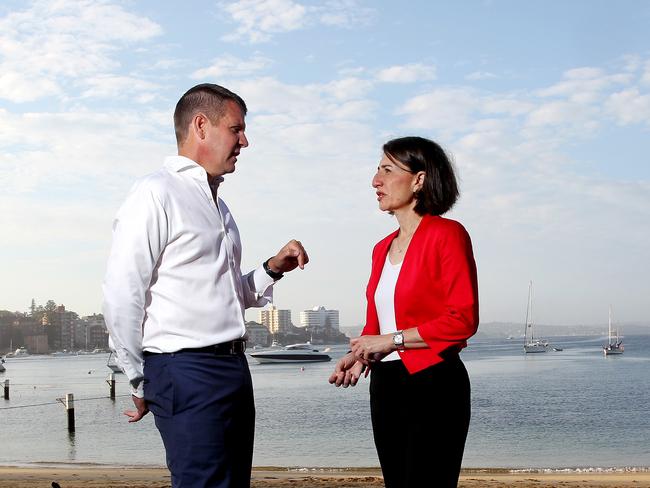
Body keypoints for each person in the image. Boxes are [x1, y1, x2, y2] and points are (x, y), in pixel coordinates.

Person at [103, 83, 308, 488]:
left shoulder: (219, 205)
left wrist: (271, 268)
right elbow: (122, 293)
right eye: (236, 129)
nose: (244, 141)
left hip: (232, 368)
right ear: (201, 126)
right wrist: (139, 378)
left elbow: (230, 294)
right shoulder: (155, 193)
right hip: (185, 369)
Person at [329, 136, 478, 488]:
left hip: (435, 384)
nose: (375, 180)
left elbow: (463, 320)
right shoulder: (381, 249)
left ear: (419, 179)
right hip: (386, 386)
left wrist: (391, 341)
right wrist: (360, 355)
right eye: (377, 170)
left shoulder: (448, 234)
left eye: (386, 169)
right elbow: (375, 326)